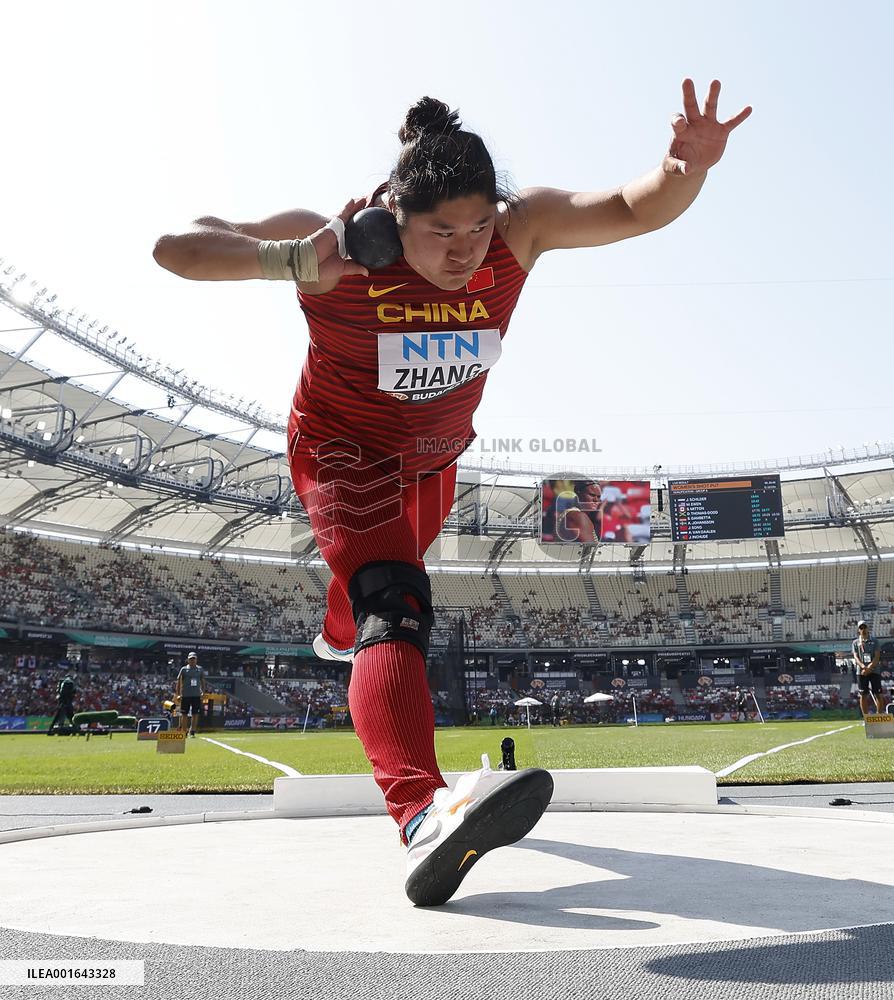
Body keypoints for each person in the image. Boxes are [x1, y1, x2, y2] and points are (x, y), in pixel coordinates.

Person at [154, 80, 751, 905]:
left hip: (434, 463)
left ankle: (340, 629)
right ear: (393, 215)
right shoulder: (329, 245)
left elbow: (629, 206)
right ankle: (419, 812)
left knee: (361, 604)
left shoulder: (520, 232)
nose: (466, 248)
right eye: (440, 232)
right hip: (342, 452)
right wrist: (289, 260)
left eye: (477, 225)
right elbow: (175, 248)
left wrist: (684, 165)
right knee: (393, 602)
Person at [852, 621, 885, 717]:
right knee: (863, 695)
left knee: (878, 693)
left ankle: (879, 716)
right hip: (861, 672)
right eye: (861, 628)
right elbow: (856, 657)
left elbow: (877, 656)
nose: (863, 629)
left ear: (868, 628)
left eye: (864, 627)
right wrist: (863, 667)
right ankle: (866, 717)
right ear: (858, 630)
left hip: (874, 670)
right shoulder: (855, 642)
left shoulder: (875, 641)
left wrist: (869, 668)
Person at [175, 652, 205, 737]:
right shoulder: (184, 669)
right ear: (188, 659)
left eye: (194, 659)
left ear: (196, 659)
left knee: (195, 713)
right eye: (191, 659)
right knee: (184, 714)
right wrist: (178, 694)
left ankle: (192, 731)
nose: (192, 660)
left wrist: (203, 691)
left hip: (196, 695)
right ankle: (184, 731)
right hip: (185, 695)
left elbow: (203, 681)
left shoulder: (200, 669)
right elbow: (178, 682)